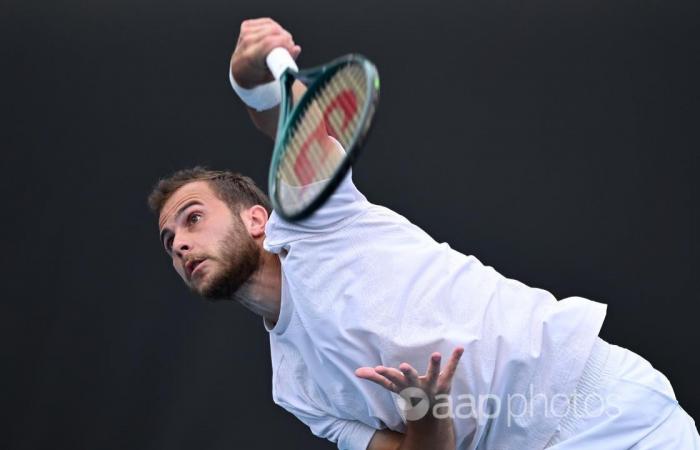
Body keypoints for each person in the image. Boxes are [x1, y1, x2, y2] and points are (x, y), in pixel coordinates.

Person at [148, 18, 700, 450]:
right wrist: (426, 409)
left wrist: (249, 84)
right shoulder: (295, 388)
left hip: (600, 404)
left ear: (256, 219)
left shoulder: (315, 221)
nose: (179, 243)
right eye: (168, 240)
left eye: (193, 217)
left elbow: (287, 125)